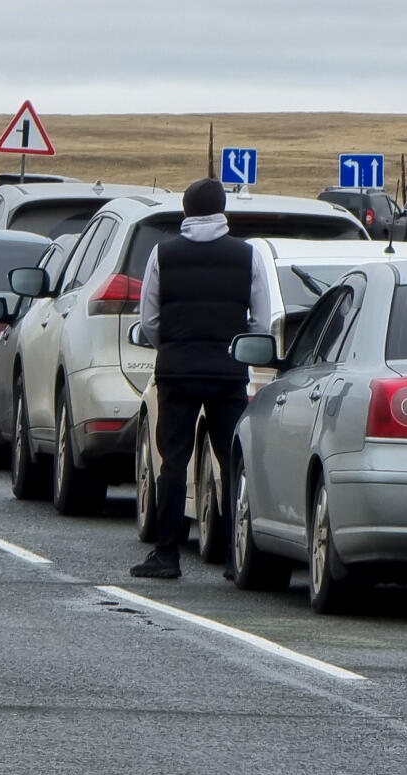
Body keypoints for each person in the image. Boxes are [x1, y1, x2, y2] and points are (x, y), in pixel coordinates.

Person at [130, 179, 271, 579]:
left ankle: (166, 555)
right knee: (230, 462)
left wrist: (172, 346)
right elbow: (260, 321)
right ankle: (232, 555)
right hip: (228, 371)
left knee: (172, 461)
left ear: (186, 210)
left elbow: (149, 319)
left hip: (176, 370)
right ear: (222, 209)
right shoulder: (248, 255)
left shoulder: (163, 254)